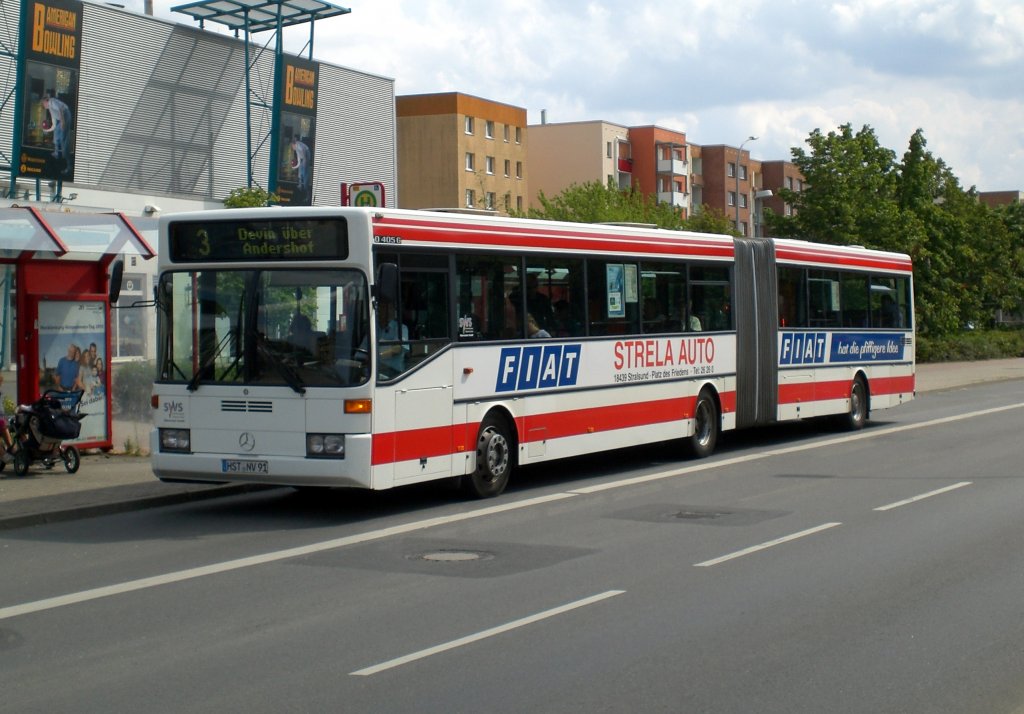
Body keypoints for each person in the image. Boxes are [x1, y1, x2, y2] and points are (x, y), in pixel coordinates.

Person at [376, 300, 409, 375]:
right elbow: (362, 351)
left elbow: (398, 349)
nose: (385, 311)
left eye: (389, 308)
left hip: (394, 373)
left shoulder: (401, 328)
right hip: (375, 370)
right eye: (381, 308)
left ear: (393, 311)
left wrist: (377, 357)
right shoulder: (374, 329)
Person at [41, 92, 72, 164]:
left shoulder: (52, 102)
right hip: (62, 118)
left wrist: (62, 121)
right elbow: (54, 126)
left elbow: (60, 109)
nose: (43, 105)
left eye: (43, 103)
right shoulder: (51, 110)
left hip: (66, 114)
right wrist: (46, 130)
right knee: (56, 134)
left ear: (46, 101)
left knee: (63, 137)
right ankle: (57, 153)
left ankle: (65, 156)